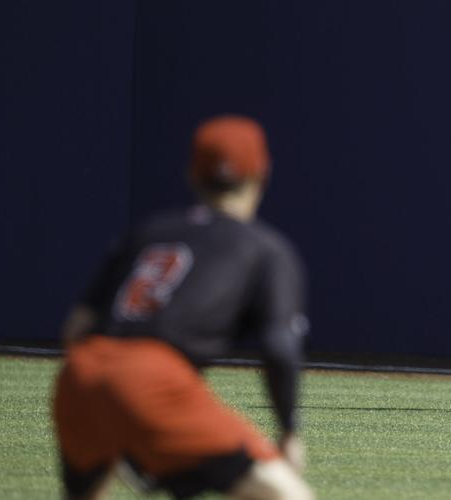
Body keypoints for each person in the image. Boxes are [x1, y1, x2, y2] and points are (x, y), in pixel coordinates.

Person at [52, 115, 314, 499]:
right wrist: (289, 429)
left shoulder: (149, 231)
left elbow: (76, 327)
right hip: (153, 380)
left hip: (80, 374)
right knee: (290, 495)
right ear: (262, 174)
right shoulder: (265, 248)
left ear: (193, 174)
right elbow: (278, 347)